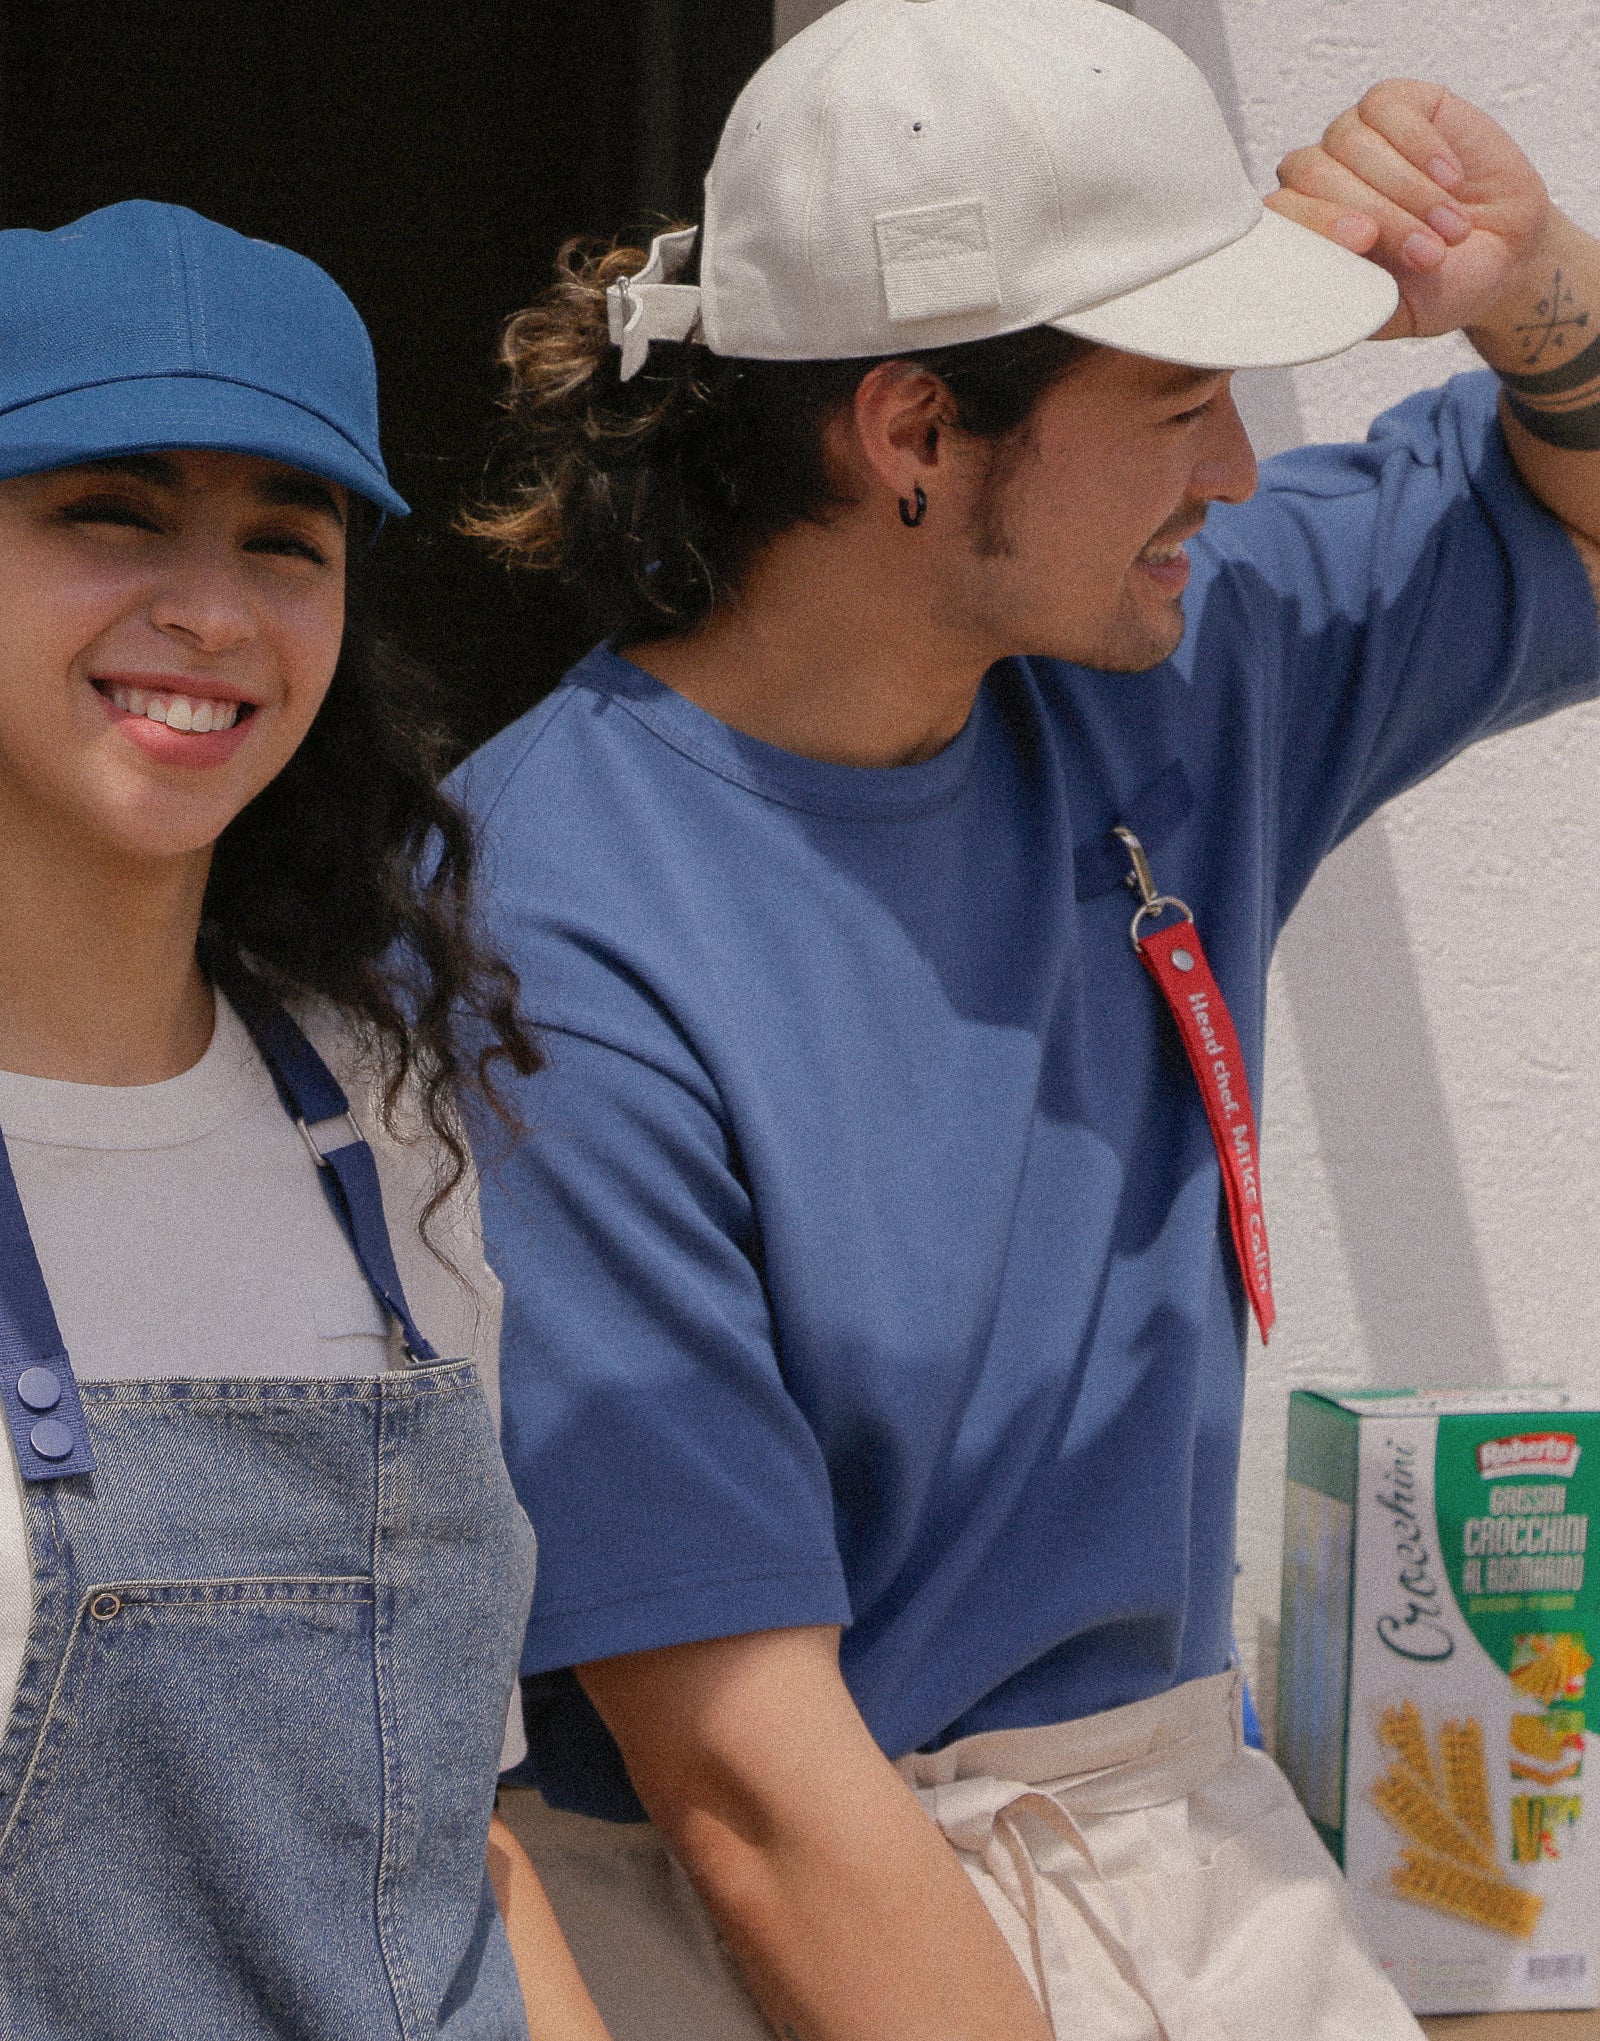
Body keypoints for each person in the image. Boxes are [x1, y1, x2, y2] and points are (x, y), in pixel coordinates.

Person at [454, 3, 1600, 2036]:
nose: (1238, 471)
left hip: (1190, 1852)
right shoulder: (541, 933)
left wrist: (1542, 303)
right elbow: (745, 1783)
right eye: (1175, 403)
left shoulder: (1161, 665)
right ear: (910, 431)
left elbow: (1564, 510)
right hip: (776, 1932)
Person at [0, 200, 611, 2041]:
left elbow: (464, 1855)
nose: (212, 607)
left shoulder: (379, 1116)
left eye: (289, 538)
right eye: (109, 514)